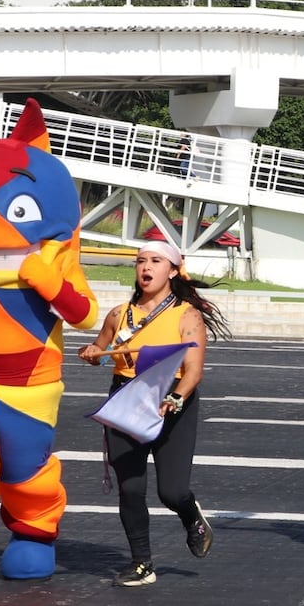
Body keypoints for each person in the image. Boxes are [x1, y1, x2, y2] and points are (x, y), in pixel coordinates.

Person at [78, 240, 232, 587]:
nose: (145, 267)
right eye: (140, 261)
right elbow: (100, 348)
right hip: (125, 403)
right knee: (130, 488)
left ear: (173, 270)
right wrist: (91, 352)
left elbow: (193, 370)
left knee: (172, 492)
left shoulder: (186, 315)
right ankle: (141, 563)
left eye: (155, 261)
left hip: (171, 403)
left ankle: (191, 516)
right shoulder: (120, 314)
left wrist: (176, 397)